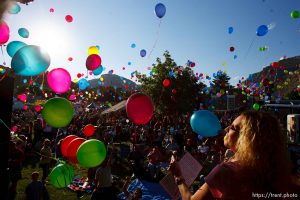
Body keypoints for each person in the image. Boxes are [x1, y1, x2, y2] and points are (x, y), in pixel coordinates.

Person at [169, 111, 300, 200]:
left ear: (246, 138)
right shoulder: (283, 176)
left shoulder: (226, 172)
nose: (226, 129)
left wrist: (178, 176)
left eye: (232, 127)